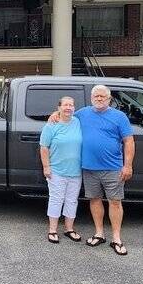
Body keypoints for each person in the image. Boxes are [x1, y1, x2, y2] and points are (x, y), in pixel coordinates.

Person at [50, 85, 135, 256]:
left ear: (109, 99)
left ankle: (116, 238)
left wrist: (128, 165)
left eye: (102, 96)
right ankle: (99, 233)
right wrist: (55, 114)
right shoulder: (82, 113)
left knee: (115, 202)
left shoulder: (119, 117)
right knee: (95, 200)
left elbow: (129, 141)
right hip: (89, 168)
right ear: (91, 98)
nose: (99, 99)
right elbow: (66, 115)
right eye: (96, 96)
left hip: (113, 167)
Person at [39, 96, 82, 244]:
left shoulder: (78, 122)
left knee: (72, 201)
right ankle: (52, 230)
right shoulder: (51, 125)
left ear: (74, 108)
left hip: (76, 172)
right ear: (59, 108)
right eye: (65, 105)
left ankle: (69, 229)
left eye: (71, 105)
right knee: (56, 200)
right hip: (56, 171)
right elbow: (44, 147)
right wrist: (46, 167)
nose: (68, 107)